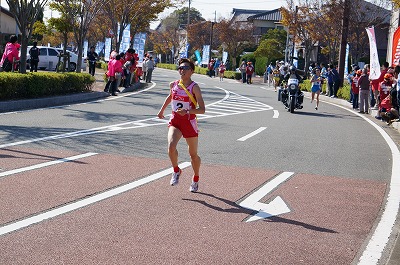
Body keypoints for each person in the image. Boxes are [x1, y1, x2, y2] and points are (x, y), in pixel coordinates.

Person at [157, 58, 206, 192]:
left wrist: (188, 111)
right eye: (180, 68)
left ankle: (195, 179)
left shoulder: (194, 87)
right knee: (171, 147)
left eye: (184, 68)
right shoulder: (173, 84)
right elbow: (170, 97)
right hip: (175, 121)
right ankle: (176, 170)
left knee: (193, 155)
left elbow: (202, 109)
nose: (181, 70)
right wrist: (161, 110)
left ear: (191, 71)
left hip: (189, 122)